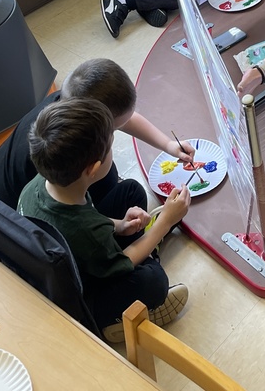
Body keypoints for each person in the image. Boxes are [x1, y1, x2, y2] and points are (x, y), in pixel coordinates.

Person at [18, 98, 190, 343]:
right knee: (154, 280)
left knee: (131, 191)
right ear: (93, 169)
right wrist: (164, 223)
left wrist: (119, 225)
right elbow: (118, 256)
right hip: (86, 294)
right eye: (111, 146)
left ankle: (145, 245)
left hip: (70, 252)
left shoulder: (41, 184)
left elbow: (86, 216)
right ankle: (113, 322)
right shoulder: (87, 231)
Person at [0, 57, 195, 209]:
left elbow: (123, 118)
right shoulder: (66, 155)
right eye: (113, 130)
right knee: (115, 182)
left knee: (107, 171)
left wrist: (168, 145)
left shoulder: (68, 103)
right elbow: (75, 222)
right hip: (15, 212)